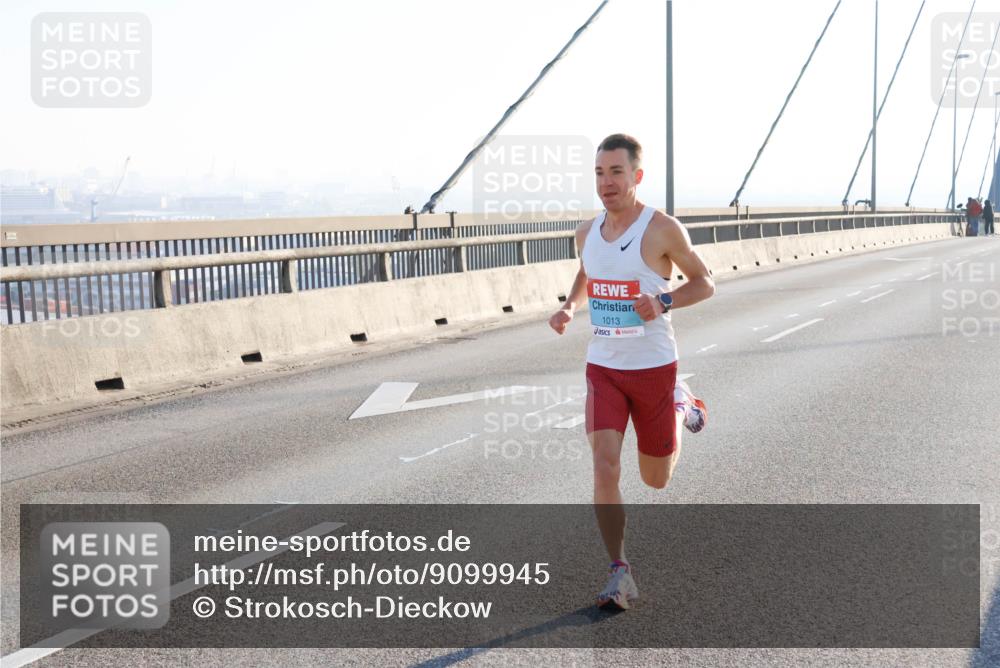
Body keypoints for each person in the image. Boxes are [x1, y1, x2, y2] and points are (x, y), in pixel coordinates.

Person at [548, 134, 715, 610]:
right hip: (604, 368)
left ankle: (682, 404)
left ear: (636, 177)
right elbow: (587, 272)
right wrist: (568, 307)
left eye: (616, 172)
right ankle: (619, 572)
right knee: (604, 464)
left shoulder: (661, 229)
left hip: (654, 368)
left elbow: (705, 283)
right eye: (599, 173)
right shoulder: (586, 232)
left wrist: (662, 300)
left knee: (655, 479)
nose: (606, 183)